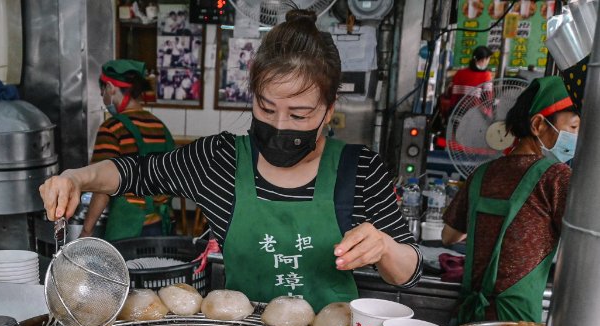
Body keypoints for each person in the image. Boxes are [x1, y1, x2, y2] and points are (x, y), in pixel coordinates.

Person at [42, 9, 421, 310]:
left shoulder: (360, 169)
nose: (279, 125)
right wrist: (77, 177)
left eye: (300, 115)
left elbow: (409, 273)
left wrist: (385, 248)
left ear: (328, 109)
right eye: (266, 107)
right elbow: (131, 172)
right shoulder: (220, 160)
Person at [441, 76, 579, 324]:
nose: (577, 137)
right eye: (573, 127)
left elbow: (448, 236)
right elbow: (583, 243)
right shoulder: (556, 176)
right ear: (538, 124)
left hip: (468, 320)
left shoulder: (482, 173)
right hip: (515, 324)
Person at [81, 59, 176, 241]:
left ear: (110, 87)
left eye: (102, 91)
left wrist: (87, 231)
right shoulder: (160, 127)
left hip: (129, 227)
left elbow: (102, 186)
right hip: (162, 225)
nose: (103, 96)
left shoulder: (112, 128)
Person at [440, 45, 494, 118]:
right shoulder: (486, 75)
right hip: (476, 116)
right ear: (483, 60)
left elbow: (451, 93)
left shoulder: (459, 73)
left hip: (456, 113)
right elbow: (488, 98)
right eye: (488, 59)